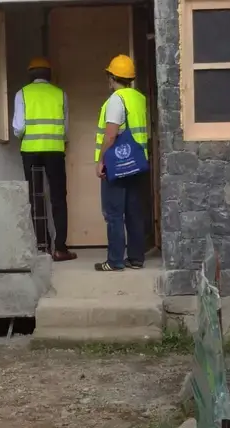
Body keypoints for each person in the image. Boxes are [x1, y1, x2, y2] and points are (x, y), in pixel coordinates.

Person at [12, 57, 77, 262]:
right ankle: (60, 248)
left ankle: (42, 247)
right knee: (58, 198)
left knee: (35, 197)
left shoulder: (22, 93)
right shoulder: (61, 94)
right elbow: (65, 129)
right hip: (55, 151)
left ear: (30, 75)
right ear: (49, 75)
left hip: (30, 151)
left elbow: (19, 128)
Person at [94, 54, 149, 272]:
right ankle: (136, 258)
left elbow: (110, 135)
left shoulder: (117, 100)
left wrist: (101, 161)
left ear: (112, 77)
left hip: (118, 164)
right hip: (137, 163)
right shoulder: (139, 98)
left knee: (114, 213)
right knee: (135, 211)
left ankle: (115, 260)